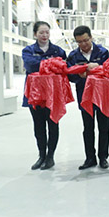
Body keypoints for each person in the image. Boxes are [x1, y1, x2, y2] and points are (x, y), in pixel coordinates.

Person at [22, 21, 67, 170]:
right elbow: (31, 65)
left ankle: (50, 156)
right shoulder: (28, 50)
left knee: (53, 123)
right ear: (35, 34)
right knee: (39, 126)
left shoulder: (58, 51)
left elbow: (63, 66)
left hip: (53, 95)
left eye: (47, 32)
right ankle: (41, 155)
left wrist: (47, 64)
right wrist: (51, 63)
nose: (44, 35)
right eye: (41, 32)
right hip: (35, 95)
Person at [67, 25, 109, 170]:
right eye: (79, 42)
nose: (83, 44)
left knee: (104, 126)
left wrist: (99, 67)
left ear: (91, 37)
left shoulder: (103, 52)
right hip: (84, 96)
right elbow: (69, 75)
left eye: (86, 40)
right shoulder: (73, 56)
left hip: (102, 95)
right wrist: (79, 76)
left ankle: (103, 157)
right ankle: (90, 158)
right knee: (88, 128)